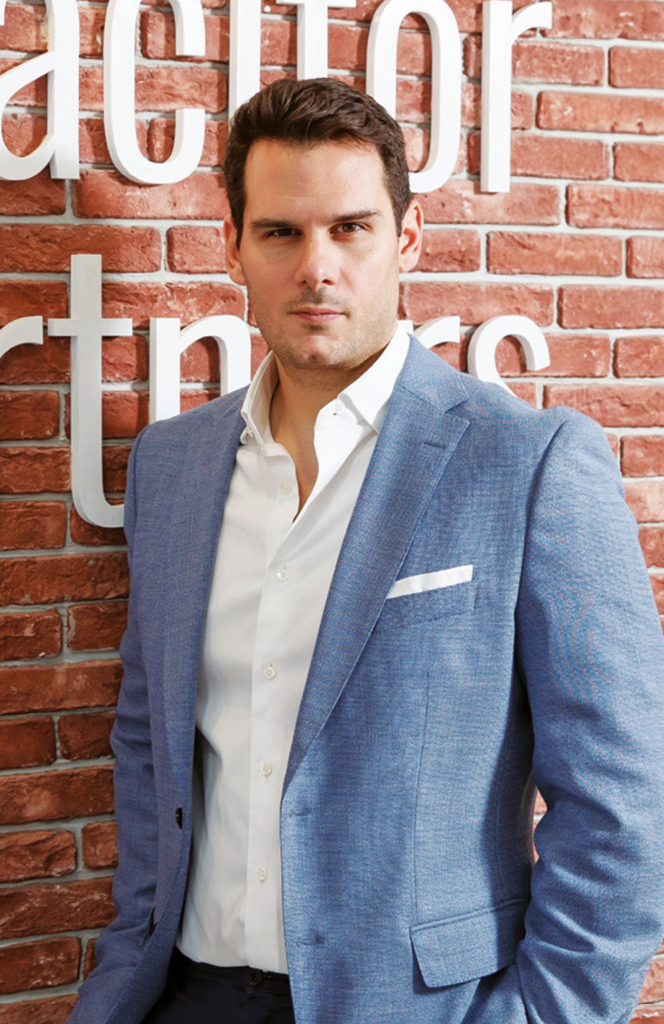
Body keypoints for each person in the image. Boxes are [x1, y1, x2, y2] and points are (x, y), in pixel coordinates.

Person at [68, 78, 664, 1024]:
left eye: (350, 229)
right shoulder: (169, 467)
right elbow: (148, 740)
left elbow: (626, 802)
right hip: (185, 994)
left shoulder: (527, 463)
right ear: (233, 244)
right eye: (281, 233)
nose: (317, 268)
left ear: (408, 237)